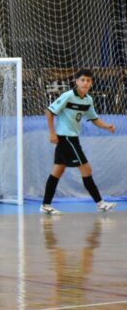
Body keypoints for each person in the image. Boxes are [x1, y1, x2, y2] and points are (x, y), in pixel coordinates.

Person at [40, 69, 115, 214]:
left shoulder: (88, 100)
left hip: (73, 138)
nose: (85, 82)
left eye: (88, 80)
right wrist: (52, 133)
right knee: (86, 169)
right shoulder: (68, 96)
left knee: (58, 171)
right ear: (76, 81)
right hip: (66, 138)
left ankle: (45, 205)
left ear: (91, 83)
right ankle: (100, 204)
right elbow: (49, 111)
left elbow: (94, 119)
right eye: (82, 80)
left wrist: (107, 126)